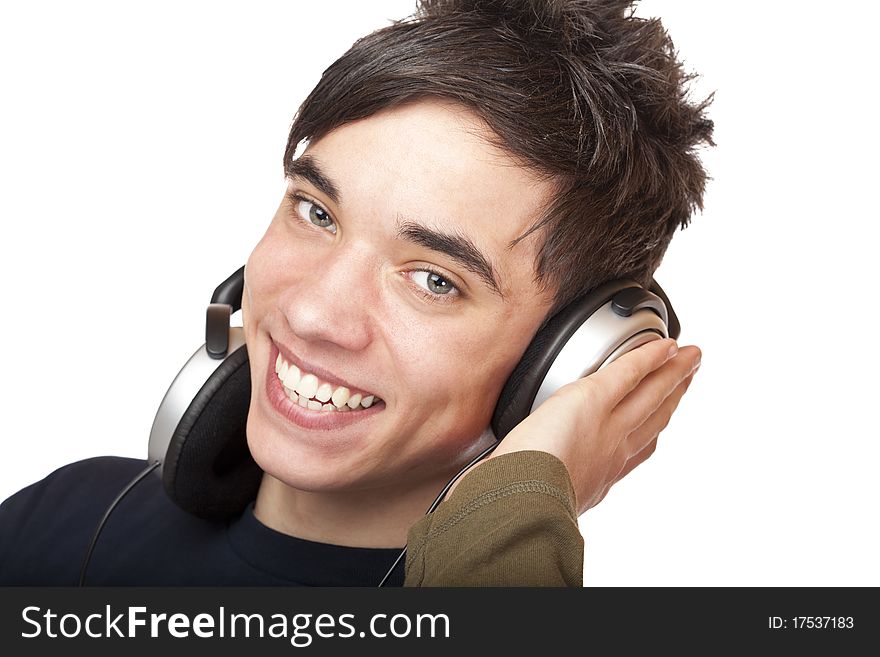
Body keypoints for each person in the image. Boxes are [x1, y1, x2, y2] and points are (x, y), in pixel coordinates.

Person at [0, 0, 710, 586]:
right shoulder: (67, 523)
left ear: (567, 367)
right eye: (317, 212)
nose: (311, 314)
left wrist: (522, 502)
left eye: (435, 279)